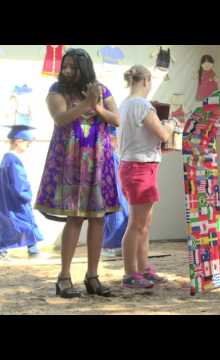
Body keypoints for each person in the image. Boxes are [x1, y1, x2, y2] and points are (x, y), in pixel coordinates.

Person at [35, 48, 120, 298]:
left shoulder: (101, 89)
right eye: (66, 65)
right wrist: (87, 104)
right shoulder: (57, 90)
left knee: (98, 218)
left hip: (98, 160)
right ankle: (63, 278)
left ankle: (92, 277)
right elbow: (60, 118)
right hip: (70, 162)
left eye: (73, 66)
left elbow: (116, 119)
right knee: (75, 217)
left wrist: (99, 108)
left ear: (85, 67)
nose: (67, 70)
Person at [118, 64, 176, 289]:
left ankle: (143, 269)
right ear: (146, 81)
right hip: (139, 168)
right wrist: (170, 124)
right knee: (137, 224)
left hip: (139, 166)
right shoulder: (142, 105)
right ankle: (130, 273)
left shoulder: (125, 105)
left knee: (144, 223)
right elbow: (162, 134)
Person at [0, 125, 43, 258]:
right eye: (28, 143)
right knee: (24, 224)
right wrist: (27, 196)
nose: (28, 146)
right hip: (17, 201)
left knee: (12, 225)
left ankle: (32, 249)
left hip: (8, 201)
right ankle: (32, 250)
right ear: (18, 141)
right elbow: (19, 183)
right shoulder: (13, 160)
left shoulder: (6, 159)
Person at [102, 125, 128, 258]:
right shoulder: (110, 157)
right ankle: (113, 245)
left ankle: (115, 245)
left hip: (119, 196)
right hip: (115, 196)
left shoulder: (114, 156)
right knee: (115, 216)